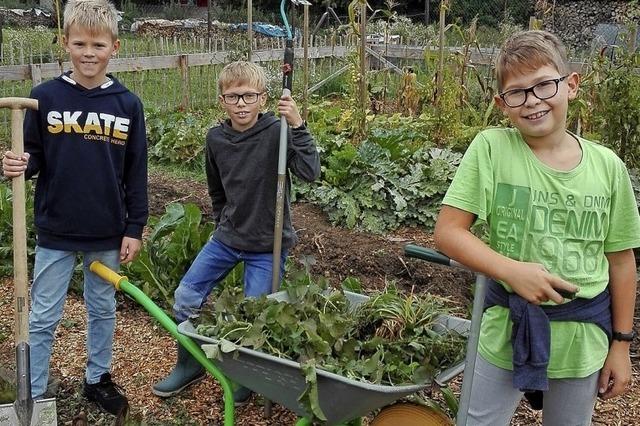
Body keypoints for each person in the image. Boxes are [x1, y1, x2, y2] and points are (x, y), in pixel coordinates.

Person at [433, 30, 639, 425]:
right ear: (501, 104)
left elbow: (622, 263)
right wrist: (512, 271)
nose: (532, 101)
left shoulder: (607, 167)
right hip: (505, 330)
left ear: (571, 85)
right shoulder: (492, 150)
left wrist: (621, 345)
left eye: (544, 84)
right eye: (517, 92)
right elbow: (448, 232)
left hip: (582, 339)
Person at [1, 0, 148, 417]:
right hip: (57, 227)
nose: (89, 52)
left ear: (114, 47)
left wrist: (134, 227)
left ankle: (97, 378)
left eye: (98, 44)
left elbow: (136, 171)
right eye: (80, 43)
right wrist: (14, 165)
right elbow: (31, 158)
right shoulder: (43, 98)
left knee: (102, 308)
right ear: (65, 43)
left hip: (107, 227)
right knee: (44, 313)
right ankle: (36, 388)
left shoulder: (127, 104)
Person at [152, 61, 320, 403]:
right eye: (233, 96)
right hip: (227, 238)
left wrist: (298, 124)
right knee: (186, 297)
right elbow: (216, 190)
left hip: (267, 244)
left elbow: (310, 172)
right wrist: (222, 222)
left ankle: (248, 375)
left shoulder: (277, 132)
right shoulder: (216, 139)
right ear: (221, 100)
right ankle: (190, 363)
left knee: (254, 315)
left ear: (263, 98)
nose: (241, 103)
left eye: (248, 95)